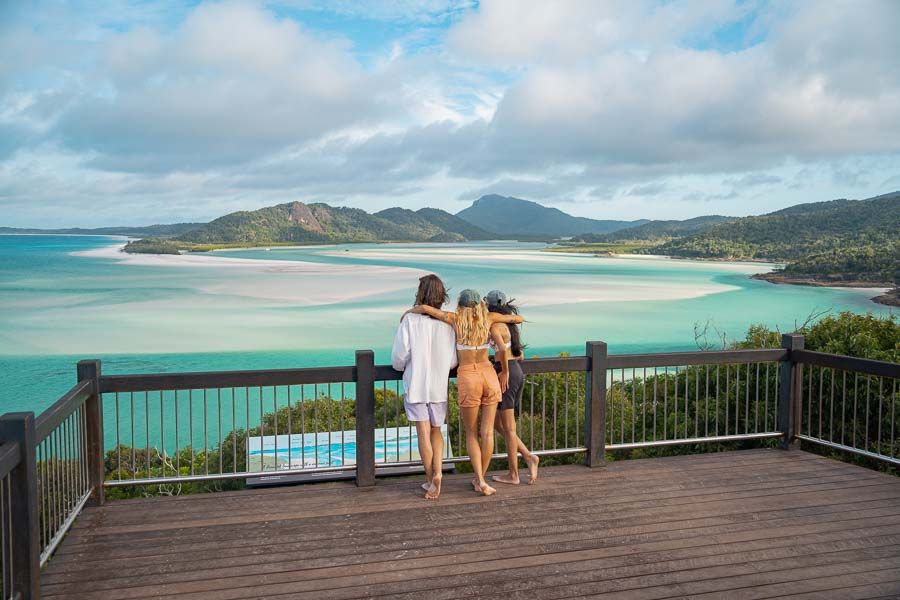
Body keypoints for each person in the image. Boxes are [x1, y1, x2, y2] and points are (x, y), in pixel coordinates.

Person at [410, 289, 524, 496]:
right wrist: (506, 367)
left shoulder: (455, 319)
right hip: (489, 375)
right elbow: (517, 318)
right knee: (487, 432)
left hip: (469, 377)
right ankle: (479, 479)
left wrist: (409, 312)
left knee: (471, 433)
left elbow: (428, 310)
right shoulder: (489, 318)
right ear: (480, 305)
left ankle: (480, 479)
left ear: (461, 305)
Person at [392, 274, 457, 500]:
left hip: (416, 385)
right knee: (437, 431)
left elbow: (398, 358)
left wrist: (406, 364)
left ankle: (430, 480)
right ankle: (439, 472)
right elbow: (453, 362)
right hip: (438, 386)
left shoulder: (410, 321)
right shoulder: (449, 323)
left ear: (421, 294)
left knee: (423, 433)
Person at [485, 290, 539, 485]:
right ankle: (528, 456)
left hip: (506, 374)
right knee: (499, 424)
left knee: (507, 428)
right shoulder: (509, 324)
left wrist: (504, 370)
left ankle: (514, 474)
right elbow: (518, 353)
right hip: (516, 371)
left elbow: (501, 350)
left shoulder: (494, 325)